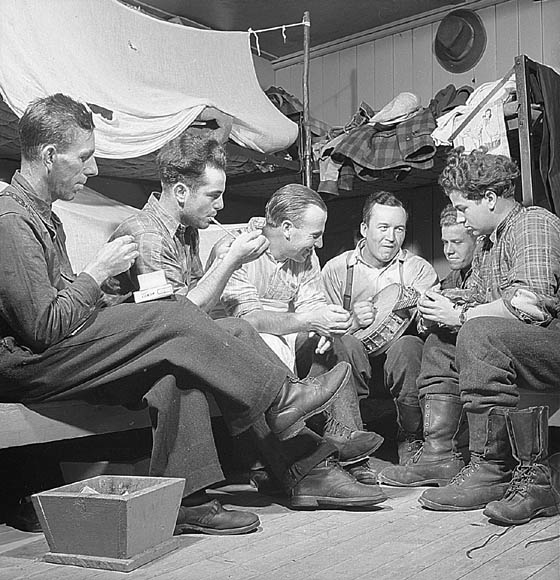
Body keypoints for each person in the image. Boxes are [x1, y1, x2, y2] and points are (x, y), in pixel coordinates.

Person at [0, 94, 379, 536]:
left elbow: (62, 307)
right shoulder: (12, 220)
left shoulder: (44, 217)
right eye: (84, 157)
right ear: (49, 156)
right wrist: (97, 272)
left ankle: (192, 500)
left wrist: (104, 298)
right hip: (30, 364)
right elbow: (42, 329)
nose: (94, 169)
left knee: (182, 371)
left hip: (64, 350)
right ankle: (281, 402)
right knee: (173, 314)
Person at [112, 133, 388, 508]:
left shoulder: (184, 232)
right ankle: (312, 448)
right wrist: (228, 263)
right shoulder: (147, 235)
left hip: (173, 345)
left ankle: (308, 459)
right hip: (132, 358)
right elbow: (172, 323)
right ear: (180, 191)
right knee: (240, 333)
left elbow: (187, 315)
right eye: (213, 195)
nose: (222, 205)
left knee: (255, 341)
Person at [384, 146, 560, 526]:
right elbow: (477, 297)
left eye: (463, 208)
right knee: (442, 339)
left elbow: (532, 304)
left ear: (492, 199)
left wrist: (462, 314)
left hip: (552, 342)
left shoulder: (532, 224)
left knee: (476, 329)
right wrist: (441, 306)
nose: (460, 219)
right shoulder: (488, 243)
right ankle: (439, 454)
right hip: (520, 344)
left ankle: (491, 467)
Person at [218, 184, 385, 486]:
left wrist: (323, 325)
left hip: (284, 334)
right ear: (286, 228)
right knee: (265, 344)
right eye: (315, 235)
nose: (320, 244)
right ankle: (306, 457)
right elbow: (248, 321)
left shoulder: (304, 255)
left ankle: (347, 446)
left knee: (334, 342)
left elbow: (313, 305)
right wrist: (309, 320)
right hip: (237, 344)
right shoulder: (237, 247)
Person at [322, 191, 438, 469]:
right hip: (353, 365)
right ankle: (353, 438)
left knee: (408, 345)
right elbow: (321, 329)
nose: (391, 237)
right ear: (364, 229)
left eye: (399, 229)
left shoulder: (417, 269)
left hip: (397, 367)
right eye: (383, 228)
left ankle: (410, 437)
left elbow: (429, 321)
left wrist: (424, 310)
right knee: (345, 343)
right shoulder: (337, 269)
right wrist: (351, 320)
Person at [378, 203, 477, 487]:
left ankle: (440, 453)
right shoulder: (452, 277)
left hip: (480, 349)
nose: (448, 250)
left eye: (457, 242)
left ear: (476, 239)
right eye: (445, 242)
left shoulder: (481, 269)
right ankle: (424, 446)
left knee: (435, 343)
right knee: (412, 345)